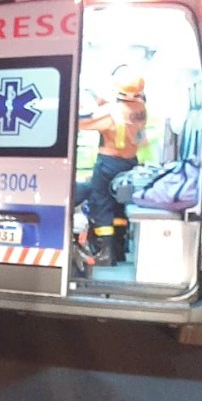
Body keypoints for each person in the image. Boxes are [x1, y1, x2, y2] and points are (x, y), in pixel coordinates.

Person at [77, 64, 148, 265]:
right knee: (119, 207)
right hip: (129, 164)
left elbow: (82, 122)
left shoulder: (111, 111)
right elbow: (126, 116)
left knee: (101, 204)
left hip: (108, 164)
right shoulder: (140, 109)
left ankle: (105, 254)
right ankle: (118, 249)